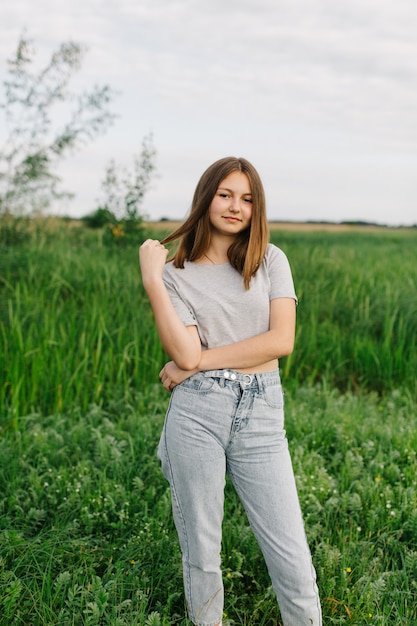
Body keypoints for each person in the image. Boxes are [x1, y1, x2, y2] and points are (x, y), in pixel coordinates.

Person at [139, 156, 322, 626]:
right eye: (225, 194)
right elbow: (183, 349)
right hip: (197, 414)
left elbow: (280, 342)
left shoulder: (270, 260)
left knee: (292, 557)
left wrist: (197, 362)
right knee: (202, 551)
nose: (235, 206)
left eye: (247, 198)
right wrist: (152, 280)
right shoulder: (175, 274)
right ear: (206, 197)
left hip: (261, 412)